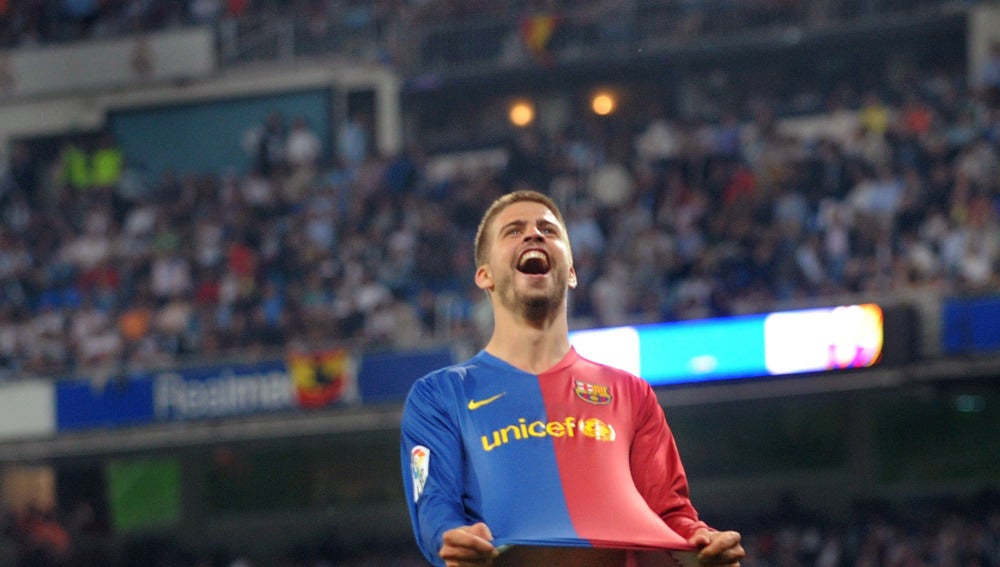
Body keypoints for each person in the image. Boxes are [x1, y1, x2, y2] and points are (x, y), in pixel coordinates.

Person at [400, 189, 744, 567]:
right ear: (484, 275)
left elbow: (671, 513)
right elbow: (433, 503)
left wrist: (704, 540)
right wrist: (447, 537)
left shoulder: (631, 394)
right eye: (513, 231)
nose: (533, 235)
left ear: (573, 272)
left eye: (548, 230)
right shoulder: (439, 395)